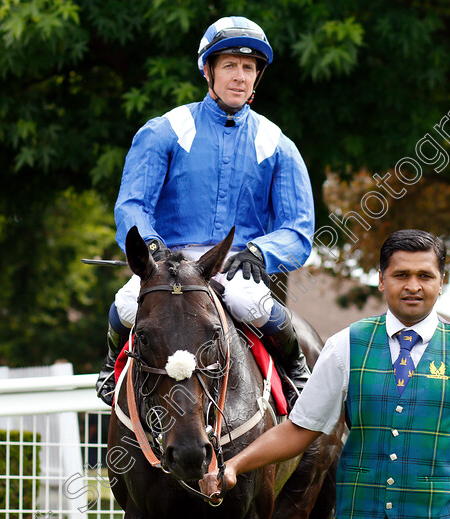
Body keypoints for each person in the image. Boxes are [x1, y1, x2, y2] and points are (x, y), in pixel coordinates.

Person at [201, 229, 450, 518]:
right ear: (381, 279)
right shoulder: (344, 346)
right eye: (401, 275)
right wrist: (234, 464)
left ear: (441, 281)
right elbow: (300, 430)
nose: (413, 286)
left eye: (425, 275)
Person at [96, 16, 315, 406]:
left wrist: (262, 252)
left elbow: (298, 229)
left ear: (257, 77)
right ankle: (110, 368)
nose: (239, 76)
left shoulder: (278, 144)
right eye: (229, 65)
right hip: (168, 259)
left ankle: (298, 375)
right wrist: (151, 246)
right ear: (208, 70)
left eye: (248, 68)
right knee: (127, 303)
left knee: (251, 303)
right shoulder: (164, 130)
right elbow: (132, 204)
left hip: (234, 263)